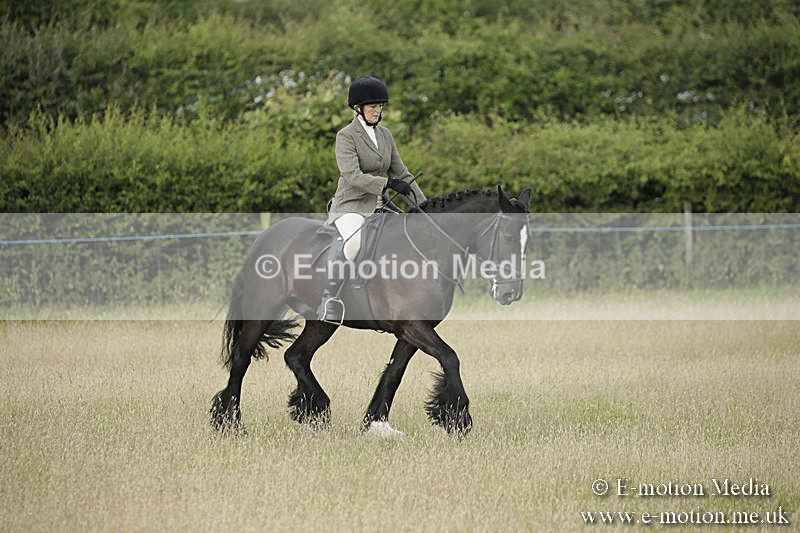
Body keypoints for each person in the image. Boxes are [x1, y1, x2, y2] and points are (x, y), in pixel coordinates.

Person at [318, 75, 426, 322]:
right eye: (373, 107)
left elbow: (402, 173)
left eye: (380, 107)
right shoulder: (345, 136)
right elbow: (352, 175)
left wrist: (425, 207)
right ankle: (330, 298)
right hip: (351, 206)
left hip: (381, 207)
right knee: (354, 243)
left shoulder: (385, 135)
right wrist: (387, 183)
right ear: (358, 108)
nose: (377, 111)